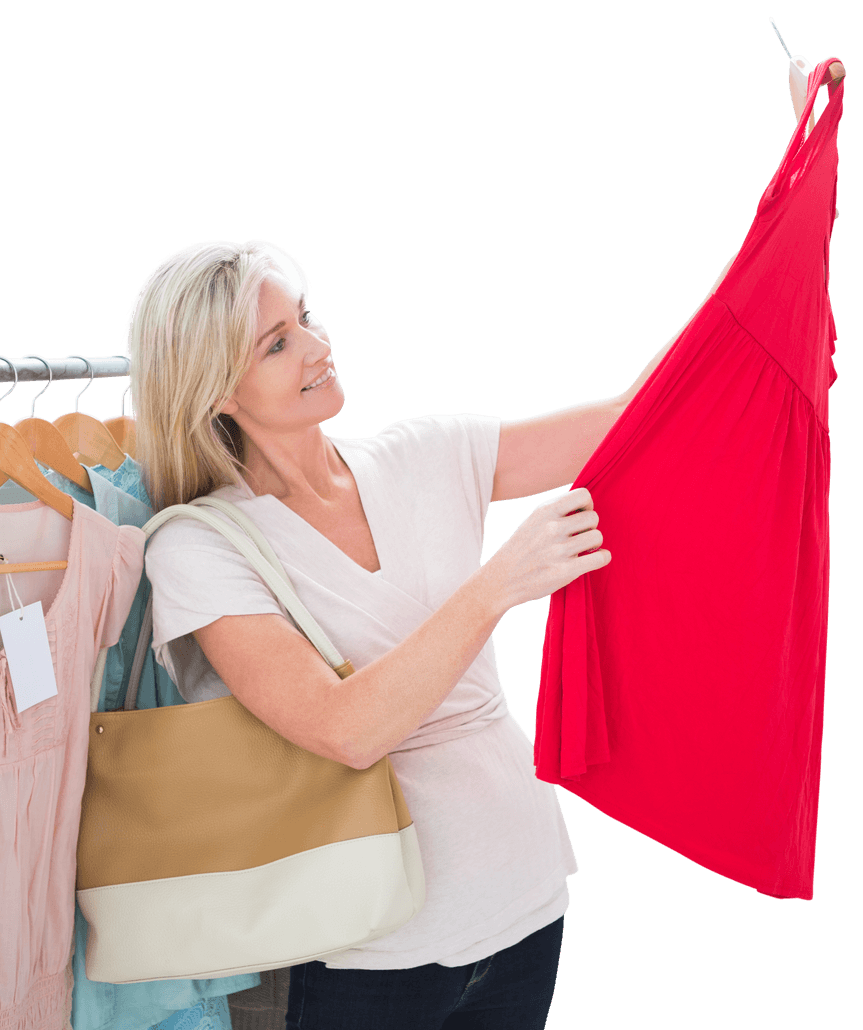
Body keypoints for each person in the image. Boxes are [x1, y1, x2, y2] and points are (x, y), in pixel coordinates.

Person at [126, 239, 734, 1030]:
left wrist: (784, 212)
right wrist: (498, 587)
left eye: (304, 316)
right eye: (276, 344)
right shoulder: (199, 547)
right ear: (215, 393)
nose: (316, 345)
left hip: (525, 907)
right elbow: (345, 730)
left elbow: (638, 416)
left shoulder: (425, 455)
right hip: (363, 958)